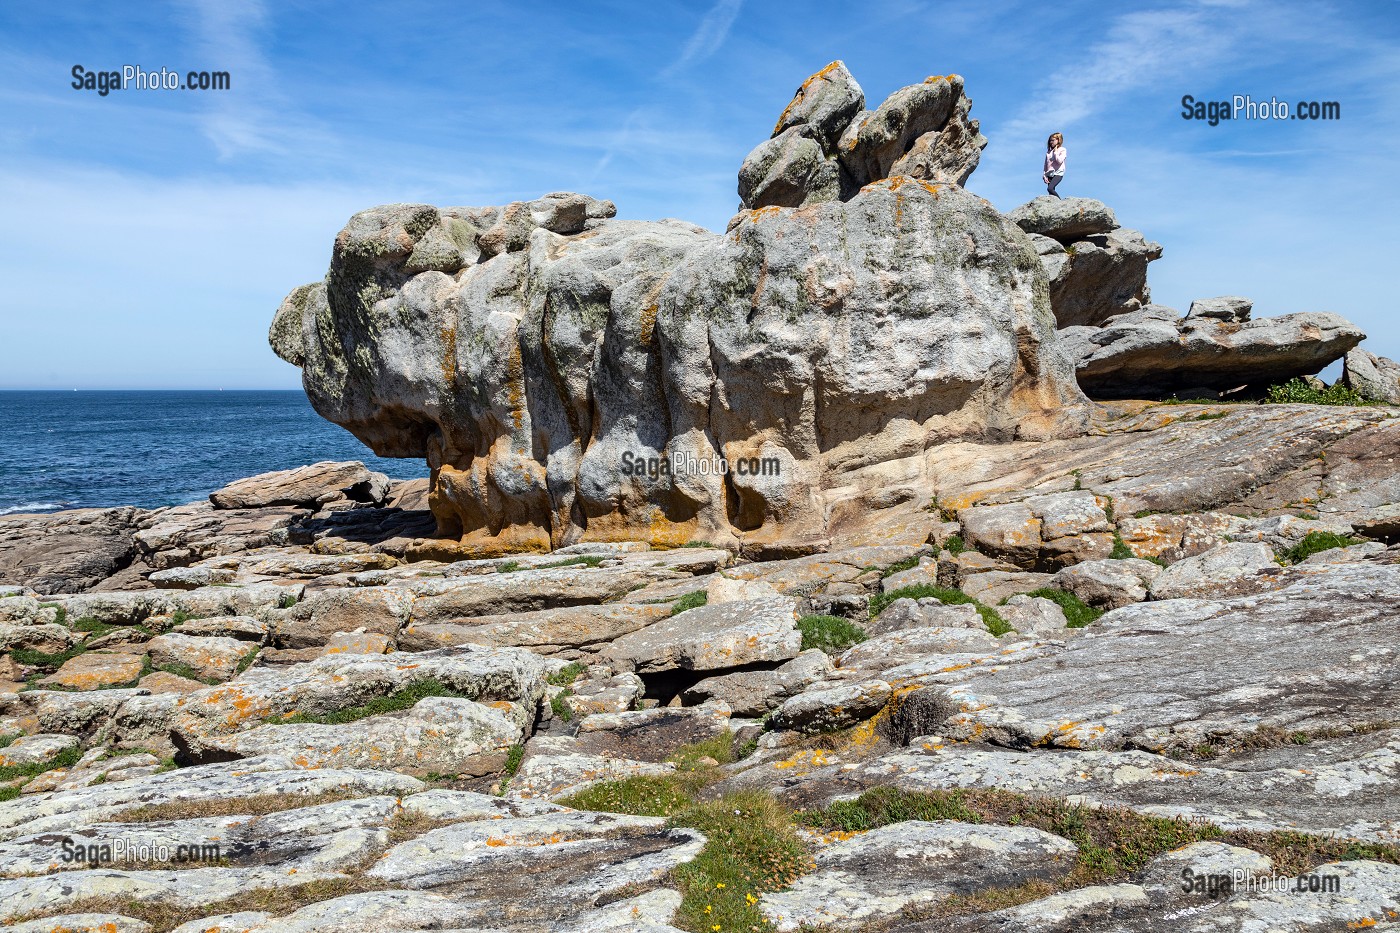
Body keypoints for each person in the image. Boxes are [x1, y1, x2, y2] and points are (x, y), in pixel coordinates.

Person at [1042, 132, 1066, 198]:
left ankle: (1060, 202)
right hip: (1050, 174)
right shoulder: (1048, 152)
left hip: (1058, 173)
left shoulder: (1062, 150)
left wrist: (1055, 153)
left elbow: (1059, 161)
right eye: (1050, 140)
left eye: (1053, 140)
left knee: (1050, 188)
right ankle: (1055, 206)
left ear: (1058, 140)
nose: (1051, 142)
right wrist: (1044, 175)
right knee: (1051, 194)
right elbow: (1045, 165)